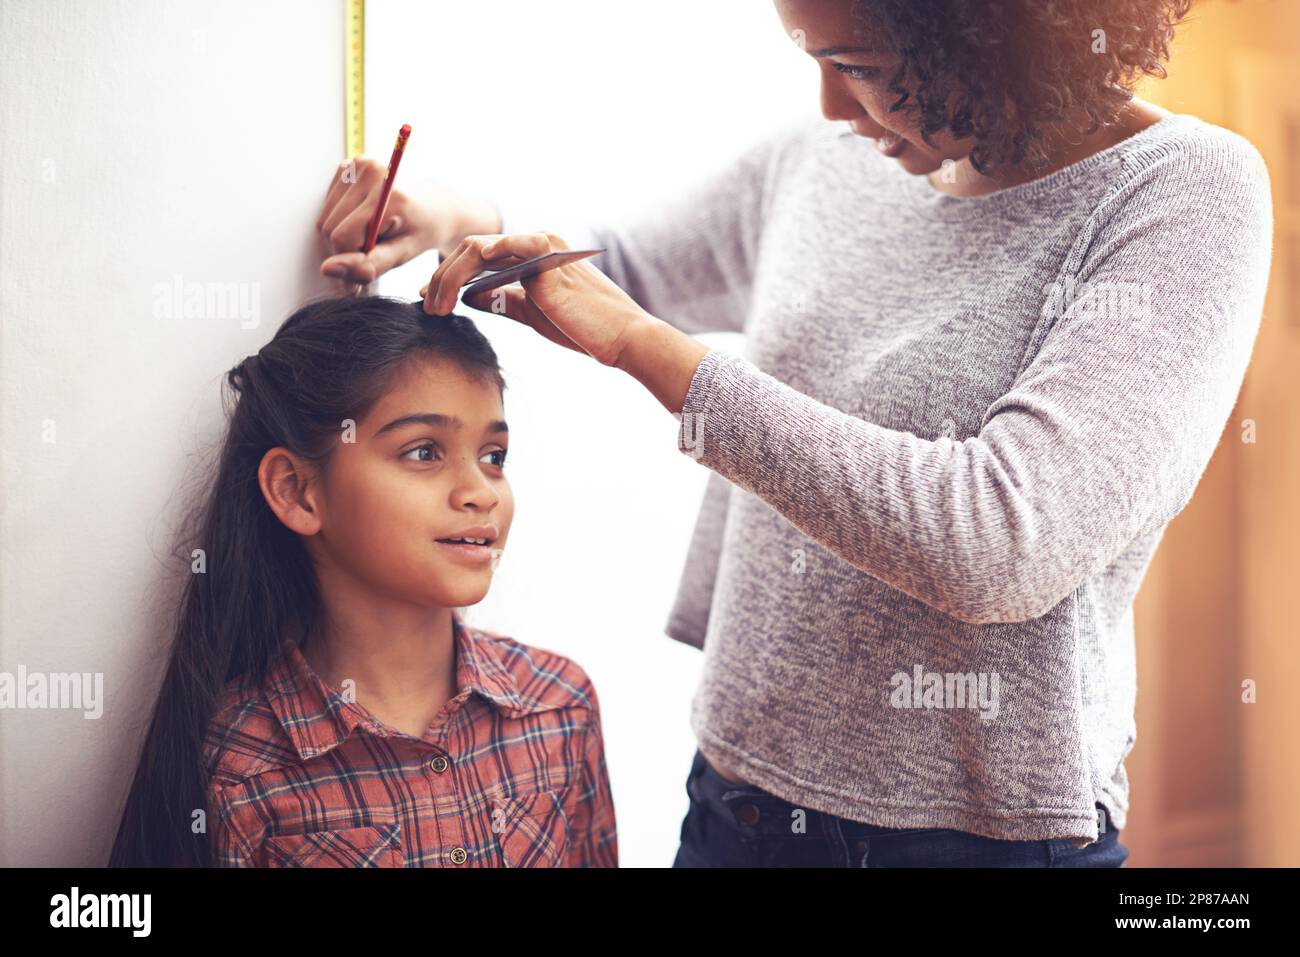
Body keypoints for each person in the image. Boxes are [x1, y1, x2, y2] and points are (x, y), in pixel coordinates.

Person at [314, 0, 1272, 867]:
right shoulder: (821, 161)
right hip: (742, 805)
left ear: (991, 35)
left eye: (856, 63)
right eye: (813, 57)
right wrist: (452, 218)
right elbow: (615, 264)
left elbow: (1003, 540)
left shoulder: (1181, 195)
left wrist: (653, 356)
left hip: (979, 841)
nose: (829, 105)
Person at [109, 296, 617, 867]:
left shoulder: (560, 706)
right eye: (424, 451)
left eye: (494, 455)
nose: (481, 491)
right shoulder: (237, 768)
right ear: (297, 491)